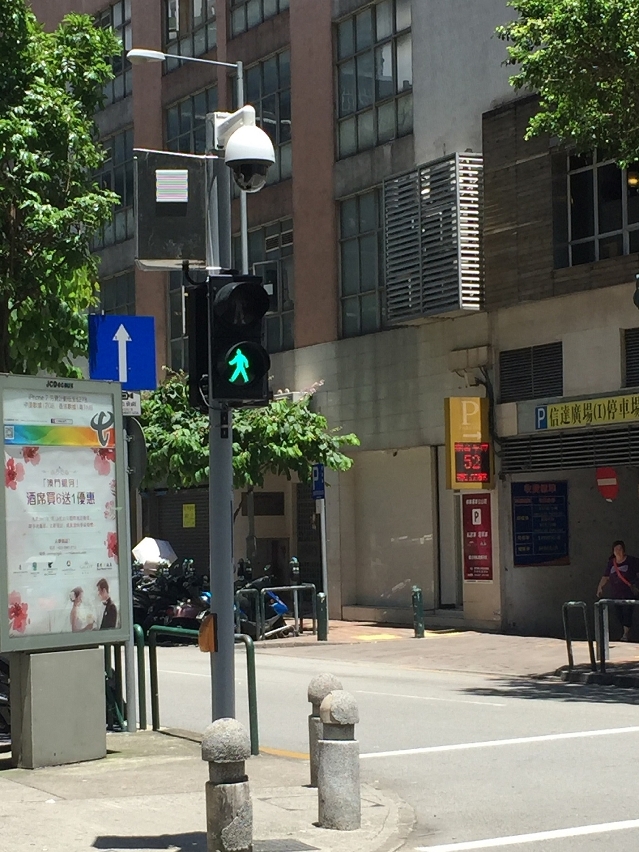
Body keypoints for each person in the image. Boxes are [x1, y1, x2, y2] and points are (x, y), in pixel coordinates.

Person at [596, 540, 639, 641]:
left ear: (624, 550)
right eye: (616, 549)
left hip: (629, 593)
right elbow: (606, 576)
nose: (618, 551)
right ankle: (625, 632)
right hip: (616, 594)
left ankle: (625, 635)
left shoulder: (631, 561)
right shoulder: (611, 563)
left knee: (627, 613)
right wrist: (600, 587)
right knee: (619, 614)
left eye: (620, 549)